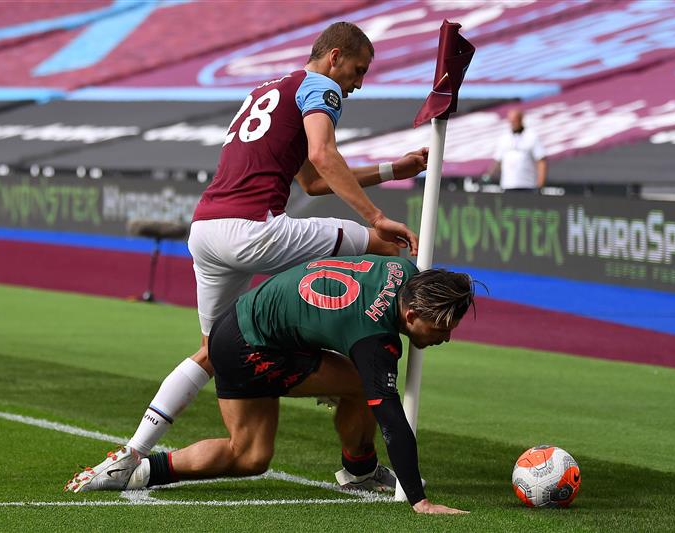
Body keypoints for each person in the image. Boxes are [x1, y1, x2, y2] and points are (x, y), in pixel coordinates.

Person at [69, 22, 427, 489]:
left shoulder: (271, 88)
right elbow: (323, 157)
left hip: (206, 231)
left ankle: (131, 455)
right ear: (334, 56)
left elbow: (312, 184)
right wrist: (376, 216)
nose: (357, 83)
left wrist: (390, 170)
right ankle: (366, 351)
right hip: (251, 230)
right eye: (357, 71)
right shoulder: (321, 87)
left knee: (213, 351)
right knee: (388, 244)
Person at [67, 254, 476, 514]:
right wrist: (419, 500)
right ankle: (139, 472)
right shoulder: (375, 343)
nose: (446, 338)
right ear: (411, 315)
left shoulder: (403, 269)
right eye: (441, 328)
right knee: (250, 456)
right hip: (250, 347)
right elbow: (391, 419)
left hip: (252, 323)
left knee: (347, 391)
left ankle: (360, 469)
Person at [482, 108, 547, 191]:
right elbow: (498, 161)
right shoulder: (504, 138)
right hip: (507, 186)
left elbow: (541, 161)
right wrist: (488, 176)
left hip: (527, 186)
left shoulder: (532, 137)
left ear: (521, 120)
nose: (512, 123)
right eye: (510, 121)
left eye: (515, 120)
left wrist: (540, 185)